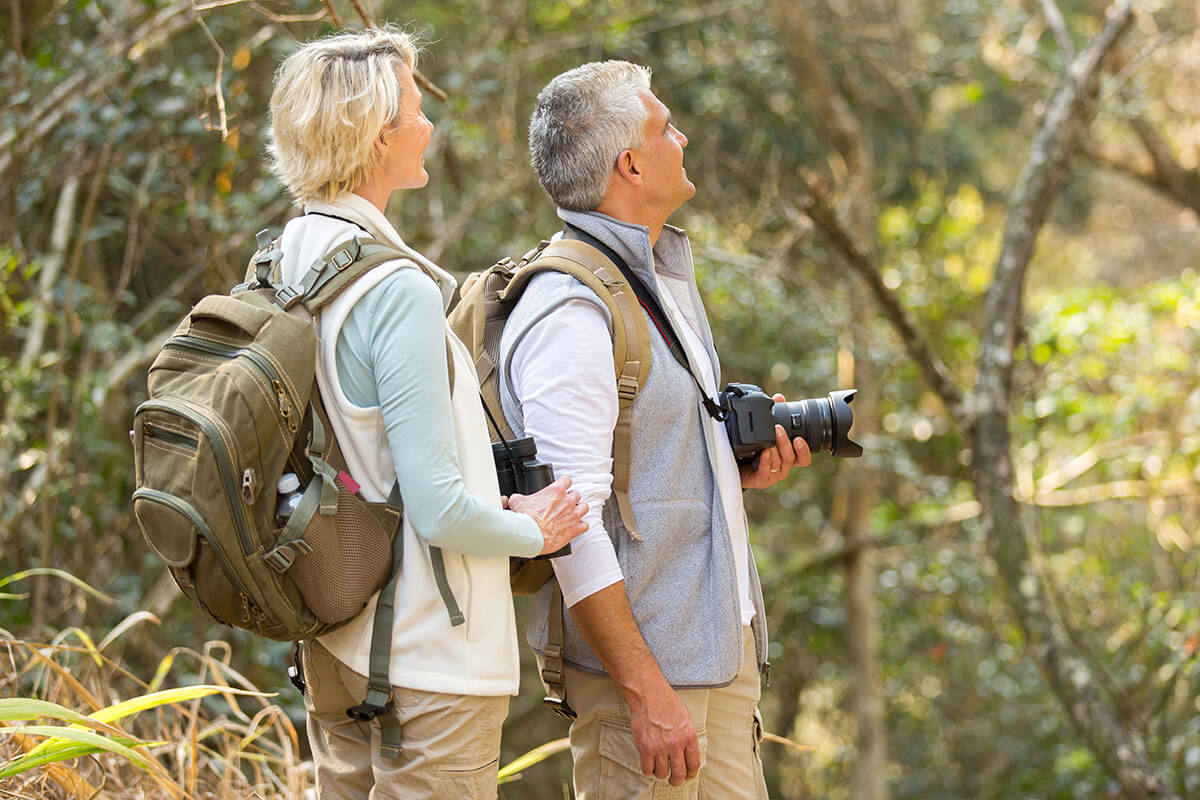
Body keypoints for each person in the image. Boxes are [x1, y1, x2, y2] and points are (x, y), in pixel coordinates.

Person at [265, 27, 588, 800]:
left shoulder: (287, 258)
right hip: (428, 663)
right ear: (378, 138)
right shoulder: (392, 290)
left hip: (333, 643)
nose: (428, 125)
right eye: (414, 110)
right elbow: (439, 510)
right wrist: (534, 531)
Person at [497, 60, 812, 799]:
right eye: (666, 127)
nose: (685, 137)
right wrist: (642, 691)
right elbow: (570, 524)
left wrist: (730, 472)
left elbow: (644, 463)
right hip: (644, 680)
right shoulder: (571, 309)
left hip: (719, 657)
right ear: (630, 163)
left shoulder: (653, 276)